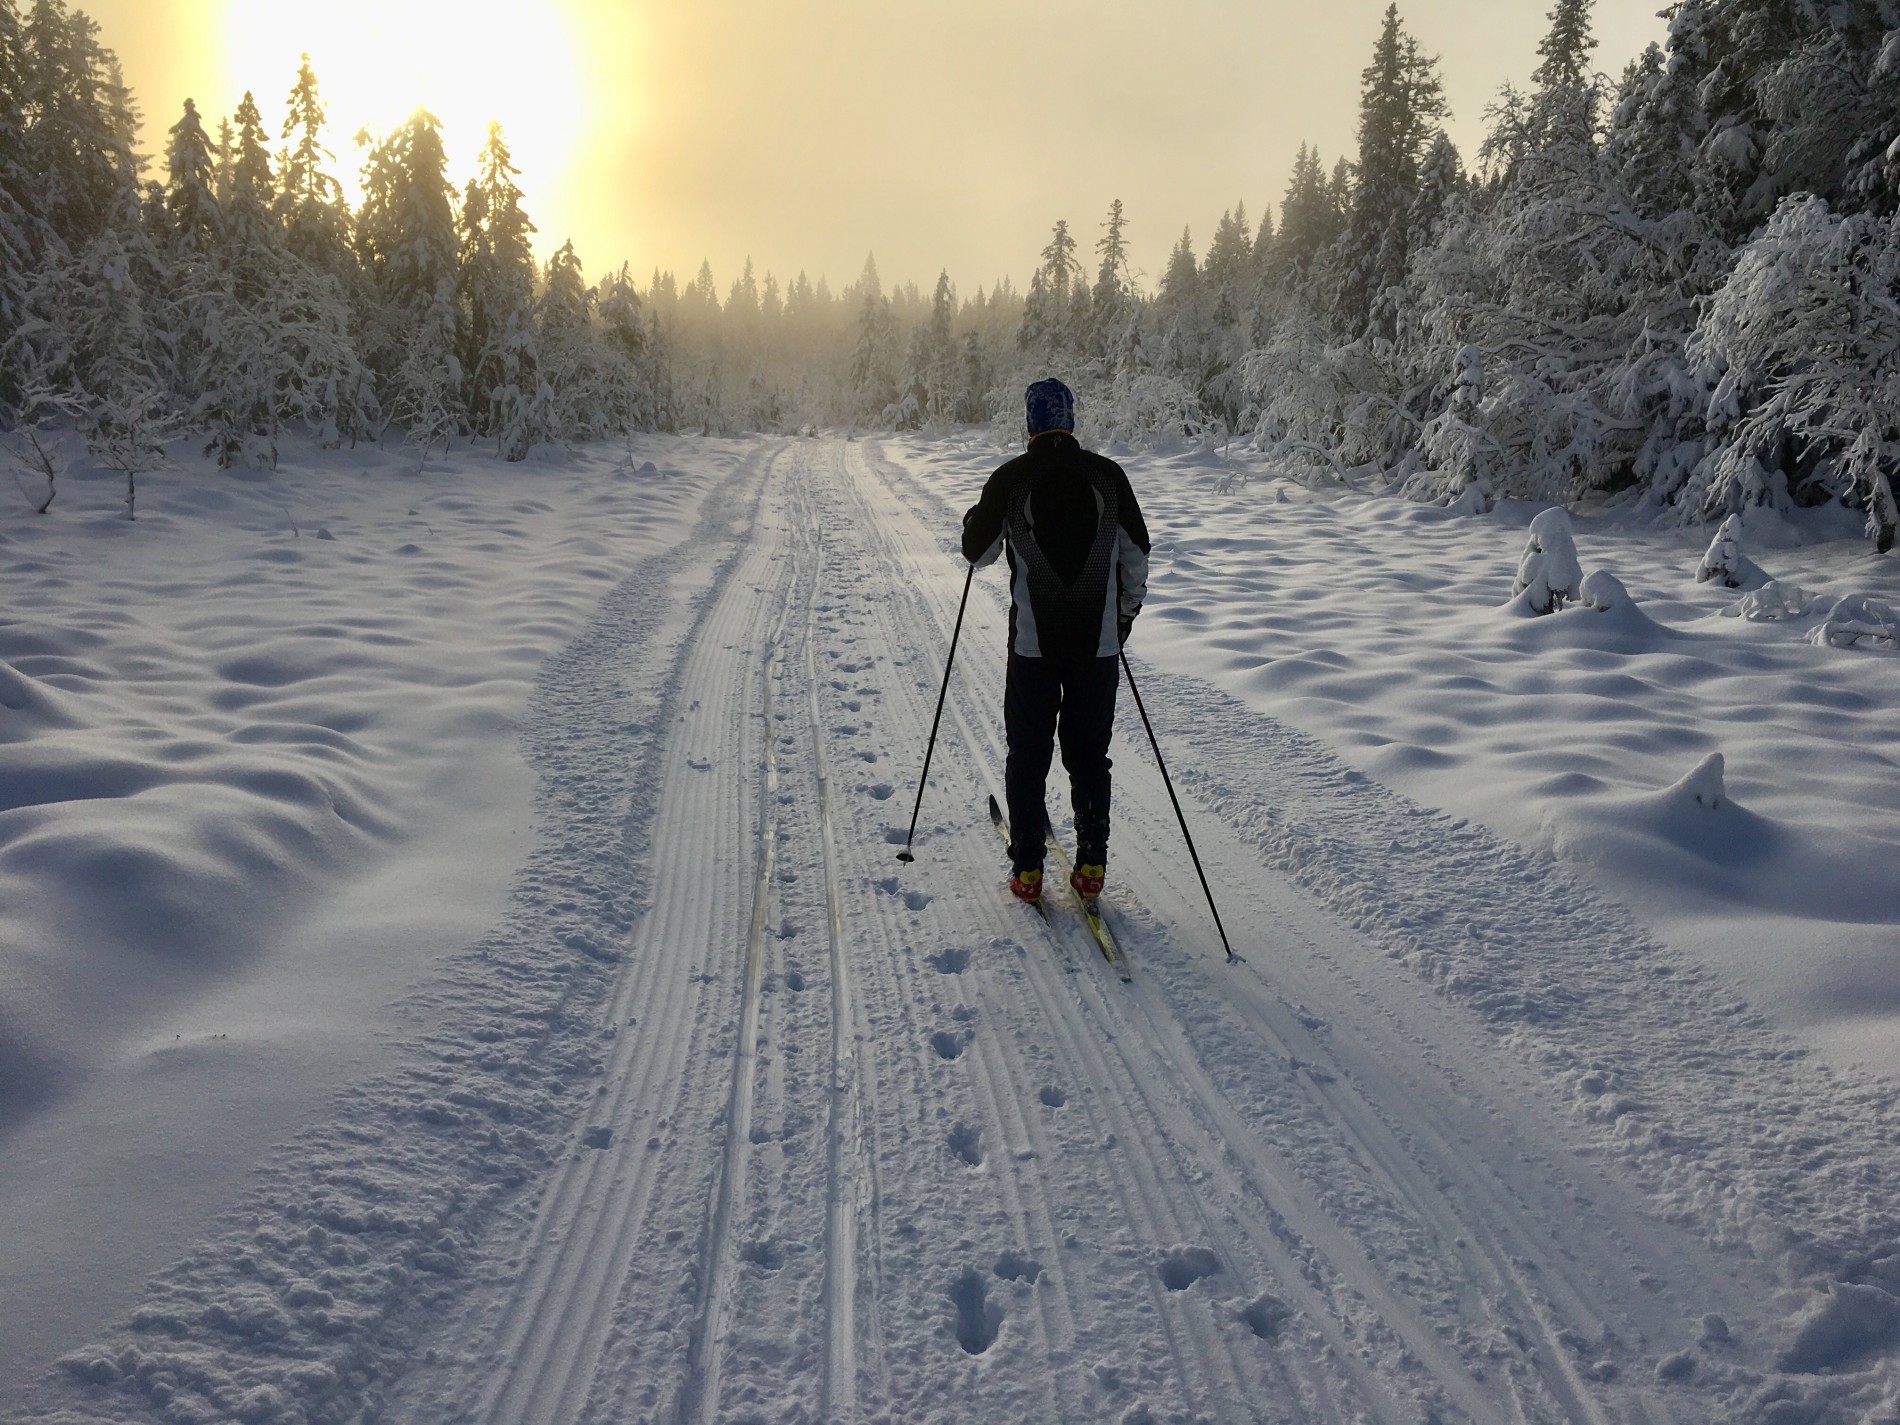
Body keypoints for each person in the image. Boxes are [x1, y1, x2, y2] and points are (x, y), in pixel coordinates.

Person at [961, 378, 1151, 904]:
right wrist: (1123, 618)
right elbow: (1137, 555)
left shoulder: (1012, 479)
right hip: (1097, 650)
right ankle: (1091, 862)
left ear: (1030, 424)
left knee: (1028, 753)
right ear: (1070, 420)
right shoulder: (1108, 477)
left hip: (1033, 649)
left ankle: (1027, 871)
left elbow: (978, 556)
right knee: (1090, 755)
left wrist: (975, 522)